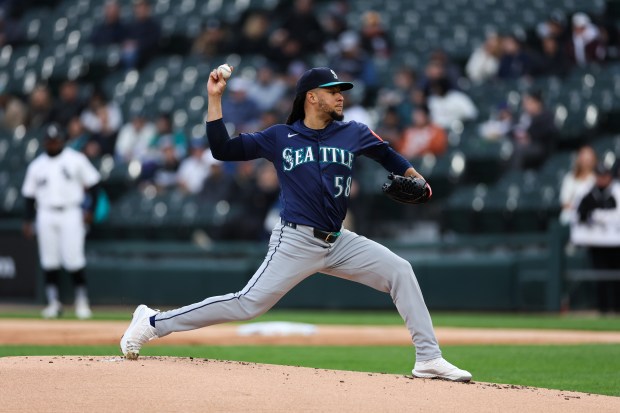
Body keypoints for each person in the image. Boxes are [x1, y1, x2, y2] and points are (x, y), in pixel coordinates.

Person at [120, 66, 472, 382]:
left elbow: (388, 154)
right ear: (311, 97)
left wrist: (415, 177)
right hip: (295, 240)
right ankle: (151, 323)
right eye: (333, 91)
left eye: (341, 91)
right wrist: (215, 98)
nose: (340, 96)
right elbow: (223, 149)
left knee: (401, 270)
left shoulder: (354, 132)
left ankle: (428, 358)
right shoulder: (280, 137)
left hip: (340, 241)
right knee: (247, 304)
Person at [21, 123, 101, 319]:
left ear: (62, 140)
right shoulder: (37, 165)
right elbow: (29, 197)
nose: (53, 144)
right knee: (49, 260)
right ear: (44, 142)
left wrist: (90, 210)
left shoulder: (76, 159)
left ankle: (82, 302)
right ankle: (53, 302)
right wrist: (28, 220)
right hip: (45, 213)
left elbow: (94, 184)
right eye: (49, 140)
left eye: (56, 140)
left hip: (71, 211)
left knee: (74, 259)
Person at [573, 162, 620, 313]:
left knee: (616, 277)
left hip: (616, 242)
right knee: (601, 278)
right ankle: (604, 310)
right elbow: (580, 215)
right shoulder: (588, 192)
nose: (602, 179)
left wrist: (598, 215)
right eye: (599, 175)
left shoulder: (616, 191)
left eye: (605, 175)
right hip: (596, 242)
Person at [559, 145, 597, 225]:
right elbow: (564, 202)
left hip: (593, 217)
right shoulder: (570, 178)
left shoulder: (598, 178)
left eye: (588, 158)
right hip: (572, 216)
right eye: (584, 157)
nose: (586, 161)